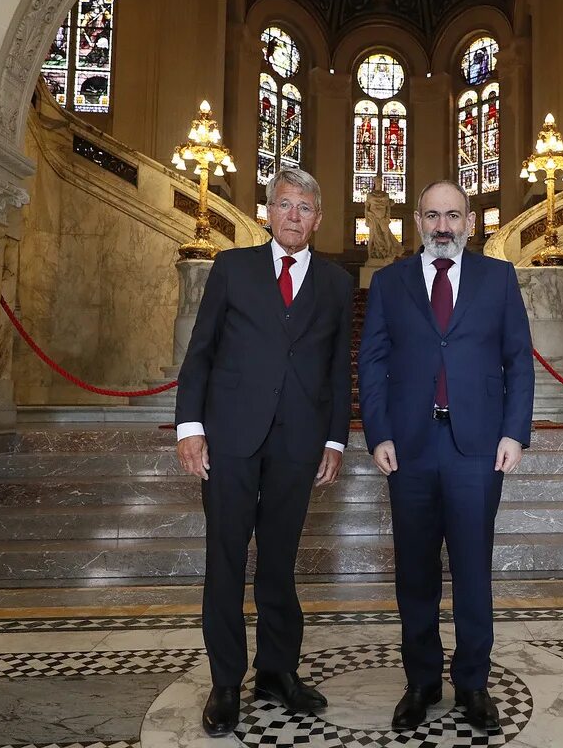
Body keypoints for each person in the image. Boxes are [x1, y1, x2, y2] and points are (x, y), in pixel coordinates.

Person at [175, 167, 354, 737]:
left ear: (318, 219)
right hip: (229, 440)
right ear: (267, 213)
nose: (295, 216)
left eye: (305, 208)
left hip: (299, 444)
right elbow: (200, 352)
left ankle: (277, 671)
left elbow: (336, 365)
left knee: (279, 563)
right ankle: (226, 681)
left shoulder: (334, 283)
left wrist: (334, 438)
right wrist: (189, 428)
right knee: (225, 560)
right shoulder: (232, 269)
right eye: (285, 205)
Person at [357, 180, 534, 733]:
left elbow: (519, 362)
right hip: (408, 448)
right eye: (432, 216)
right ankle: (422, 681)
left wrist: (515, 433)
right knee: (414, 572)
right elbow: (373, 361)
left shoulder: (498, 278)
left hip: (478, 448)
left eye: (453, 216)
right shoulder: (389, 282)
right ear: (417, 222)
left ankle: (473, 683)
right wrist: (378, 433)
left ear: (469, 222)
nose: (442, 226)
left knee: (473, 568)